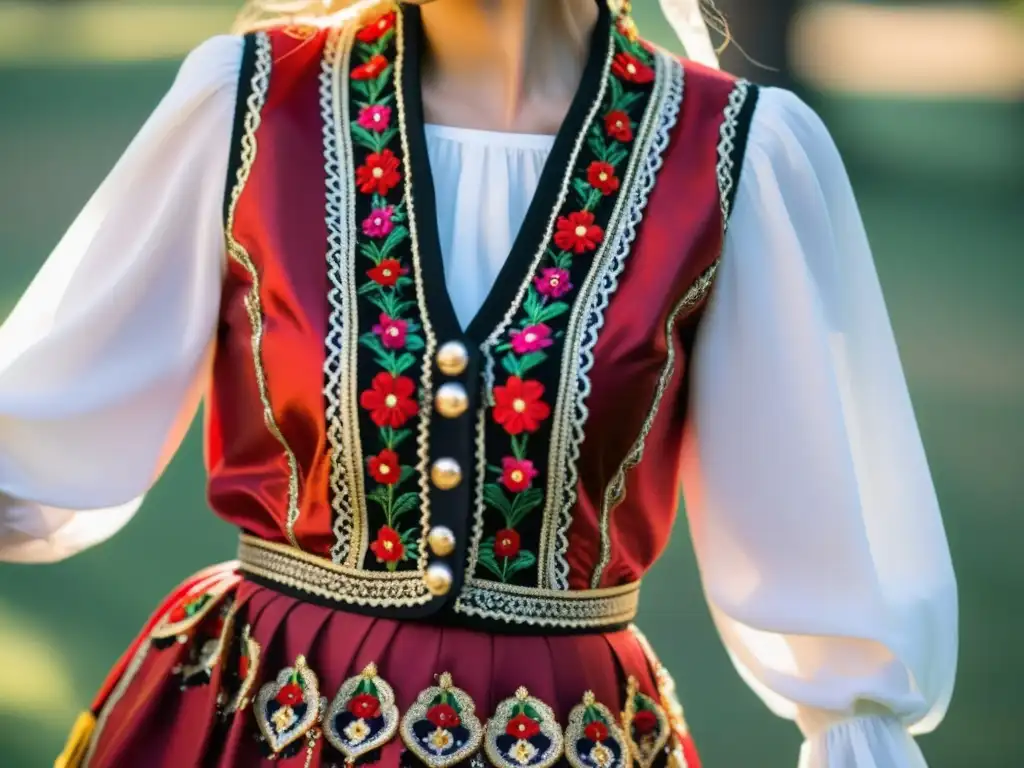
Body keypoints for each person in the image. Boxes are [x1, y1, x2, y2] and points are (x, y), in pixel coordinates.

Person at [0, 0, 957, 766]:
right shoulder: (251, 101)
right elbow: (33, 437)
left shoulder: (735, 154)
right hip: (256, 719)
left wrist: (855, 722)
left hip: (570, 731)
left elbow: (829, 580)